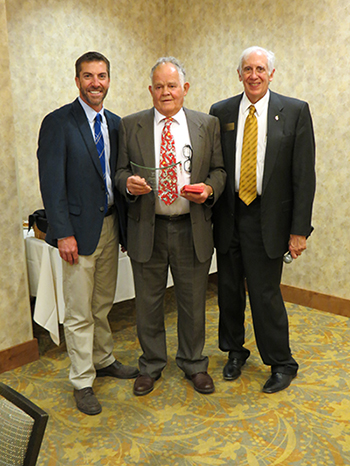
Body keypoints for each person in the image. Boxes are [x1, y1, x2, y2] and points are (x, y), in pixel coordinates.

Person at [116, 57, 226, 396]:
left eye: (172, 85)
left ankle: (194, 363)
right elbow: (119, 172)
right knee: (147, 303)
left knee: (193, 302)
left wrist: (208, 190)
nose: (166, 92)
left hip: (191, 227)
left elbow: (219, 171)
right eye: (159, 86)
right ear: (150, 90)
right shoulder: (129, 125)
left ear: (185, 89)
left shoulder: (207, 125)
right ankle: (150, 365)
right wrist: (127, 184)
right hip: (148, 227)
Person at [37, 51, 139, 415]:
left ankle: (104, 359)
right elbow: (52, 184)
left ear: (109, 79)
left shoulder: (115, 123)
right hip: (77, 235)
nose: (96, 83)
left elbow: (116, 176)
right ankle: (82, 379)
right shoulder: (58, 123)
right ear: (77, 80)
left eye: (102, 76)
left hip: (111, 227)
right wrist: (62, 232)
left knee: (101, 305)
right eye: (88, 76)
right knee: (79, 311)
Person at [210, 46, 316, 393]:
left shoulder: (295, 111)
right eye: (246, 69)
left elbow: (304, 176)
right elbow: (216, 167)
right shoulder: (221, 112)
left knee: (265, 294)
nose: (253, 75)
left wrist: (299, 231)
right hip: (229, 216)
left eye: (260, 69)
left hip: (268, 220)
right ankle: (235, 351)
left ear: (271, 74)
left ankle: (281, 362)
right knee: (228, 291)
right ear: (238, 74)